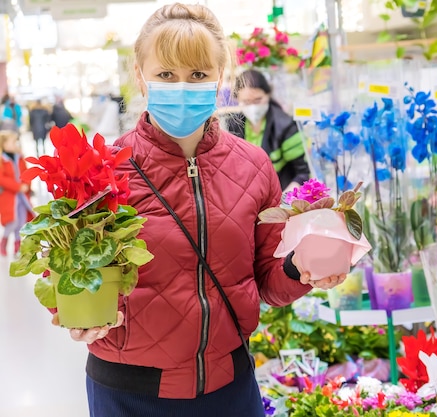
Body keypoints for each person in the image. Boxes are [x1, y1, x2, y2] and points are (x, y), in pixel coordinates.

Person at [56, 4, 347, 416]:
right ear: (140, 76)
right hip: (129, 391)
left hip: (230, 387)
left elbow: (267, 279)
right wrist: (74, 311)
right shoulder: (103, 170)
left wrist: (305, 268)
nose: (181, 88)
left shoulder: (253, 166)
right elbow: (69, 268)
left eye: (197, 75)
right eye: (165, 75)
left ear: (219, 79)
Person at [227, 69, 310, 191]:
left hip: (280, 194)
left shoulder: (286, 127)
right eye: (246, 102)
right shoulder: (233, 125)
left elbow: (303, 173)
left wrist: (285, 199)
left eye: (258, 100)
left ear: (268, 94)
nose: (253, 107)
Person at [0, 130, 32, 256]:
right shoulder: (2, 161)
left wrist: (27, 185)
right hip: (9, 197)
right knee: (12, 221)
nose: (16, 144)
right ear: (4, 144)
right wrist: (18, 187)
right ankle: (4, 241)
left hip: (22, 197)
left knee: (21, 220)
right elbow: (2, 179)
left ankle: (17, 246)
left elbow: (26, 172)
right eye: (13, 142)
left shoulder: (19, 157)